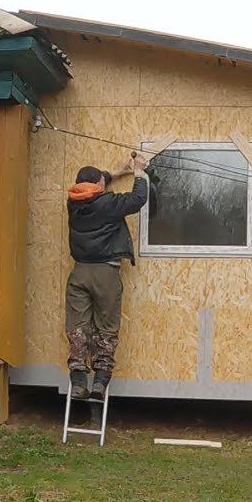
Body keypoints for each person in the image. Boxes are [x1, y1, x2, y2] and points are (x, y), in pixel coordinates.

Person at [65, 155, 149, 401]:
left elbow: (95, 183)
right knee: (106, 327)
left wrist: (116, 173)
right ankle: (100, 382)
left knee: (77, 327)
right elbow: (138, 199)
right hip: (106, 273)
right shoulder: (107, 203)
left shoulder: (73, 203)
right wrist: (138, 172)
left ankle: (79, 382)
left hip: (79, 272)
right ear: (99, 185)